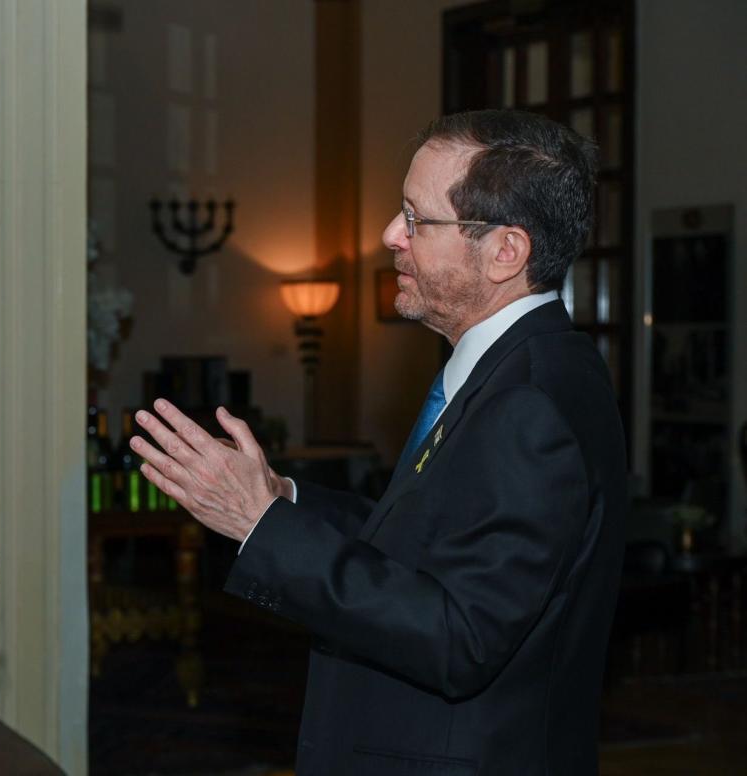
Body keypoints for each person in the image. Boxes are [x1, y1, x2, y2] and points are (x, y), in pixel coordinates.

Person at [132, 109, 626, 775]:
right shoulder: (524, 367)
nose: (391, 235)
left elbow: (460, 636)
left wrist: (262, 525)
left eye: (417, 218)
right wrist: (289, 500)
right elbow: (428, 548)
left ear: (506, 251)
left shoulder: (528, 403)